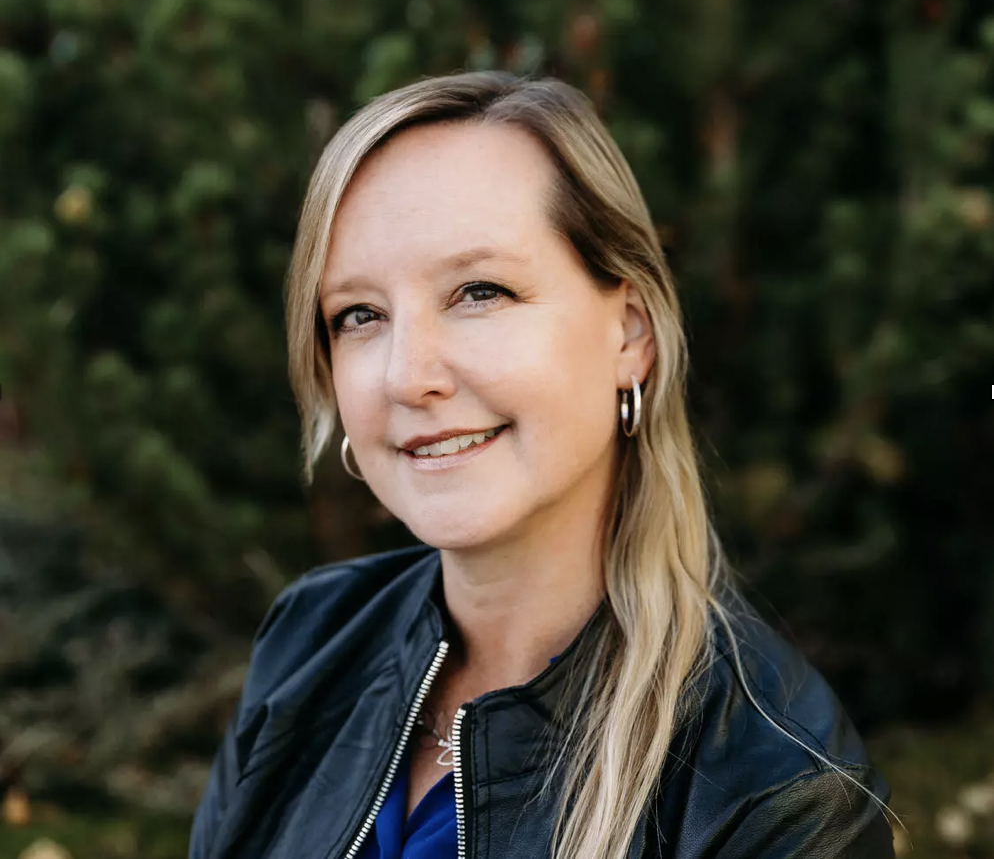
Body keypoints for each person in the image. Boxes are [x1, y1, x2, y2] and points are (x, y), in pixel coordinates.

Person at [188, 71, 896, 859]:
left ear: (629, 333)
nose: (406, 374)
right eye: (360, 315)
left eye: (479, 291)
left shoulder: (779, 789)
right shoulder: (310, 642)